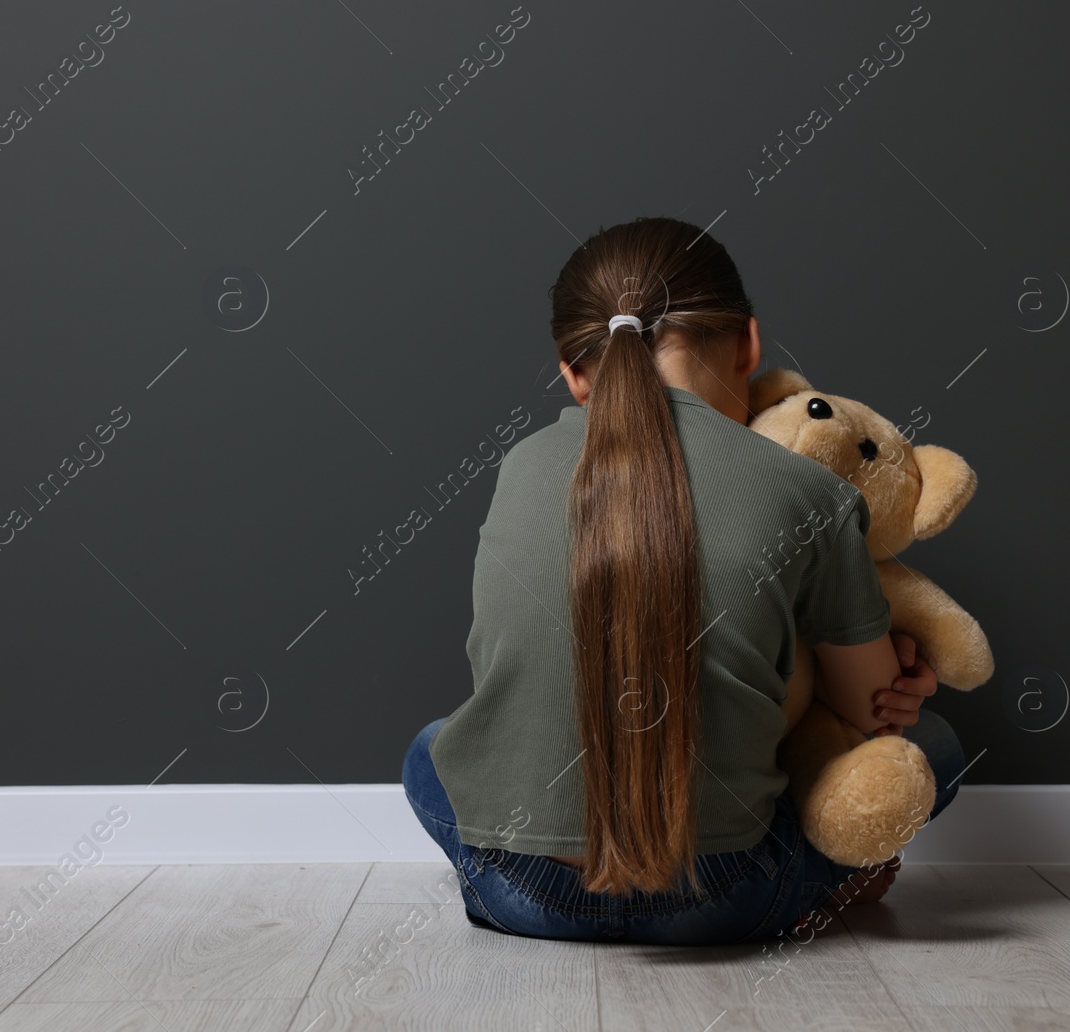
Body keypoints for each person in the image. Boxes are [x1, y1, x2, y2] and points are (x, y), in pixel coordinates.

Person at [402, 216, 965, 945]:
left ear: (573, 372)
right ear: (750, 344)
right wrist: (889, 670)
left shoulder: (518, 466)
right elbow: (870, 707)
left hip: (524, 890)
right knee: (940, 746)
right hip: (725, 895)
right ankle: (822, 876)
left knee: (430, 746)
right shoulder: (809, 492)